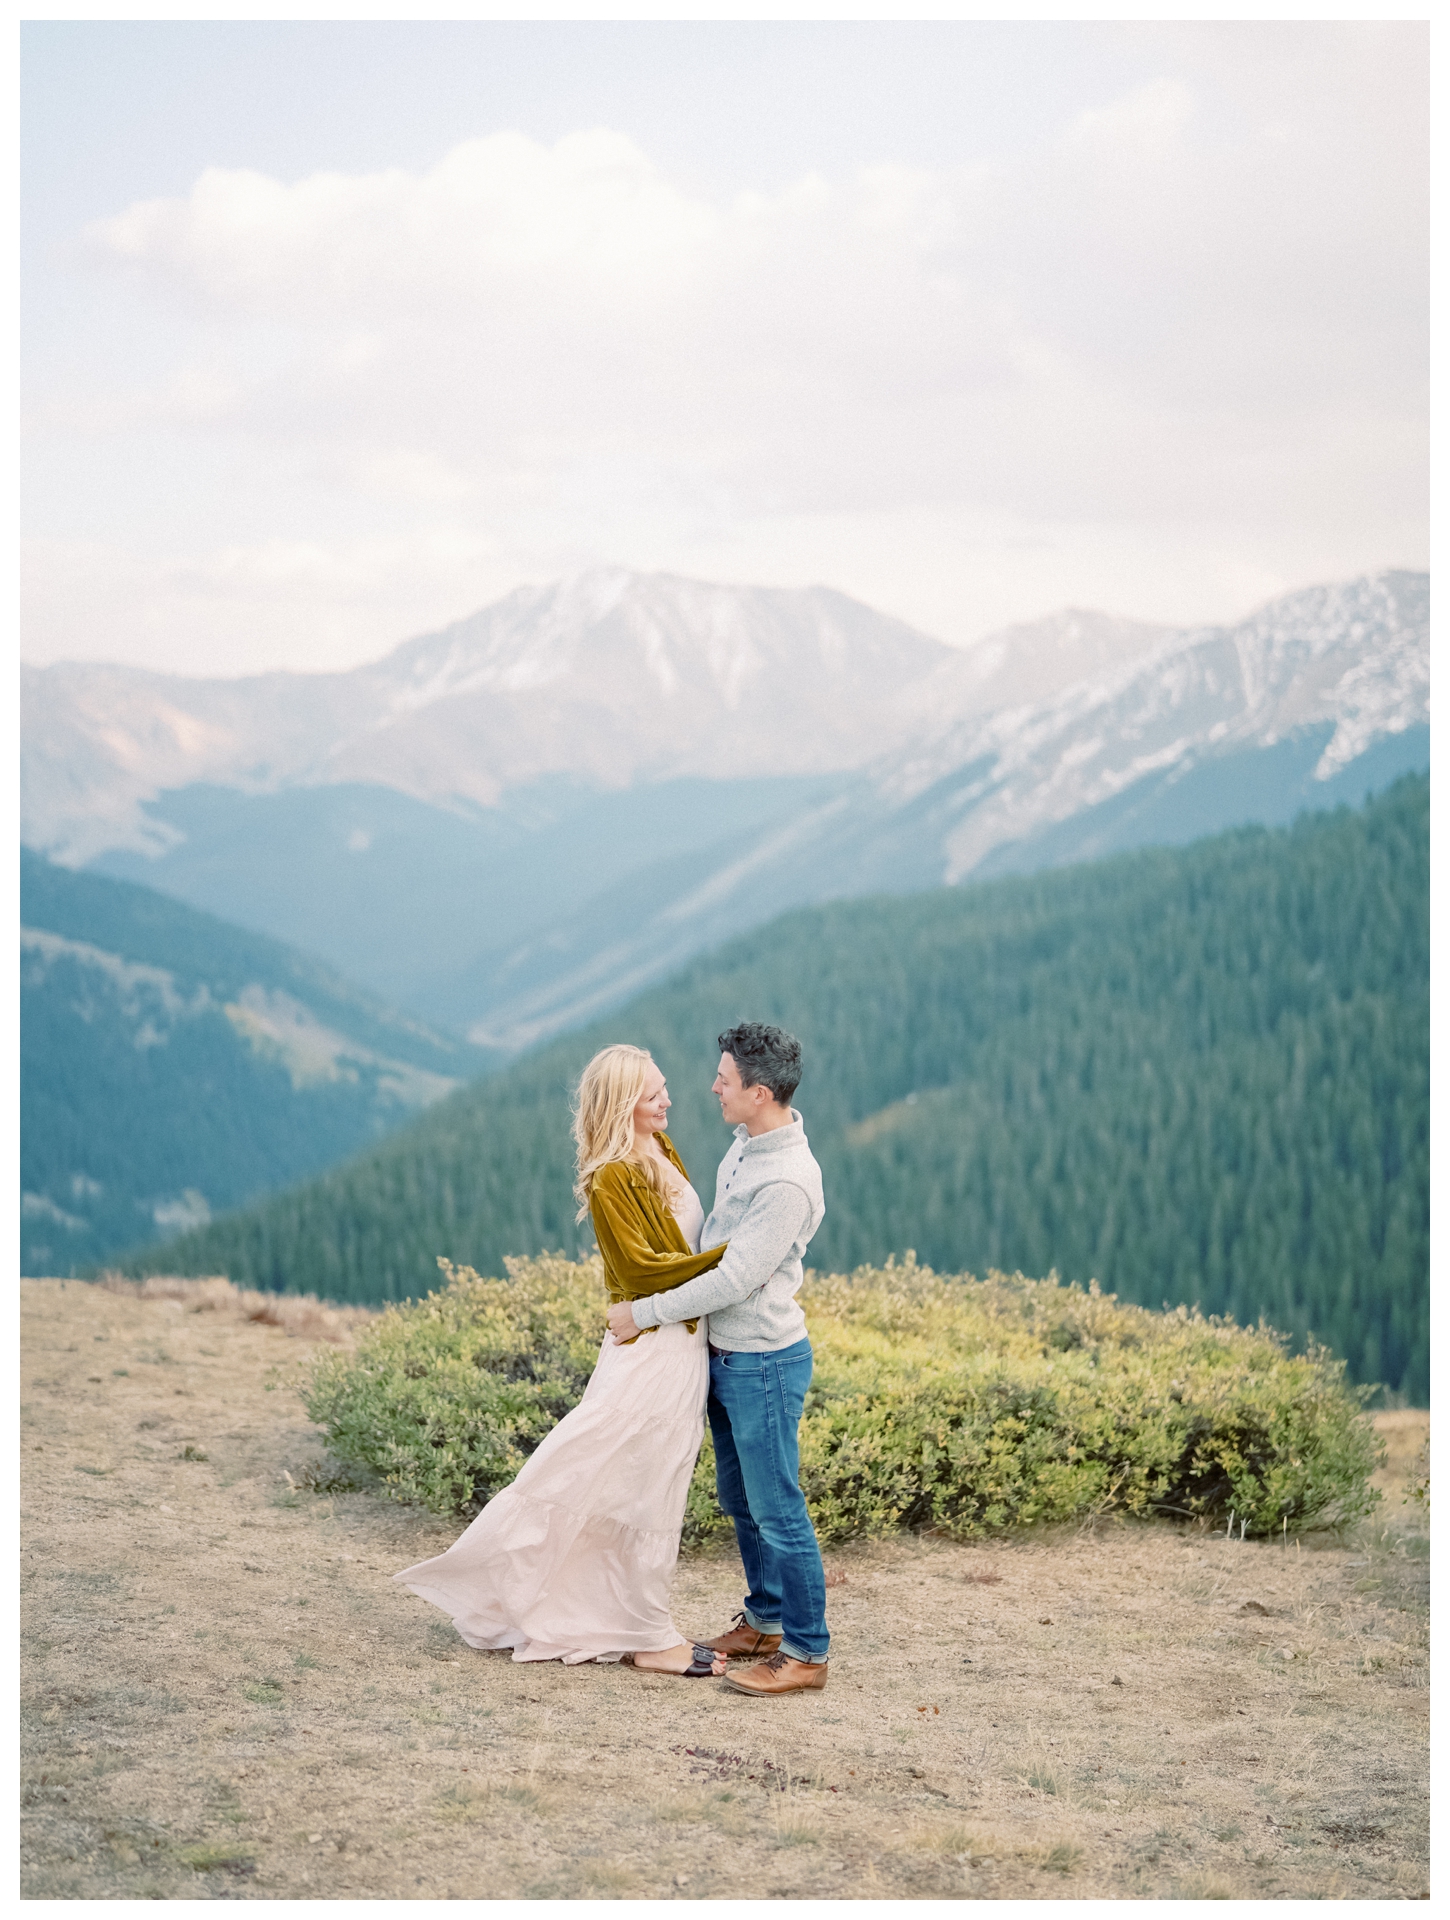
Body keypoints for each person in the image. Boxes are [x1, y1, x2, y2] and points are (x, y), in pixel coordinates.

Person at [393, 1044, 729, 1676]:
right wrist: (738, 1261)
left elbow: (681, 1244)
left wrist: (720, 1266)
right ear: (625, 1103)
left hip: (680, 1345)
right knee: (621, 1480)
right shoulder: (611, 1176)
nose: (668, 1099)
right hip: (650, 1350)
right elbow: (640, 1269)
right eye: (655, 1093)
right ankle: (649, 1636)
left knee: (645, 1486)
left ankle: (631, 1621)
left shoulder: (661, 1151)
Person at [605, 1022, 830, 1697]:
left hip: (763, 1361)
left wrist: (641, 1313)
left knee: (778, 1507)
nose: (712, 1088)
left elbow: (735, 1279)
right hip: (728, 1358)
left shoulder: (787, 1181)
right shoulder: (744, 1147)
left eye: (725, 1081)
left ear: (760, 1093)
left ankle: (807, 1652)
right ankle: (763, 1619)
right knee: (740, 1499)